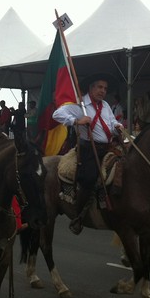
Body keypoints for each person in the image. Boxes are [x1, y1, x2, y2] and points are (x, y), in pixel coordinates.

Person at [52, 72, 123, 235]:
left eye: (105, 88)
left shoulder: (105, 105)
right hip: (88, 149)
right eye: (99, 87)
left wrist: (117, 126)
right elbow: (57, 114)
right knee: (90, 177)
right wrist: (76, 121)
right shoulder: (80, 104)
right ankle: (77, 215)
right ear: (91, 88)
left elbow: (111, 122)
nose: (103, 91)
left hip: (108, 147)